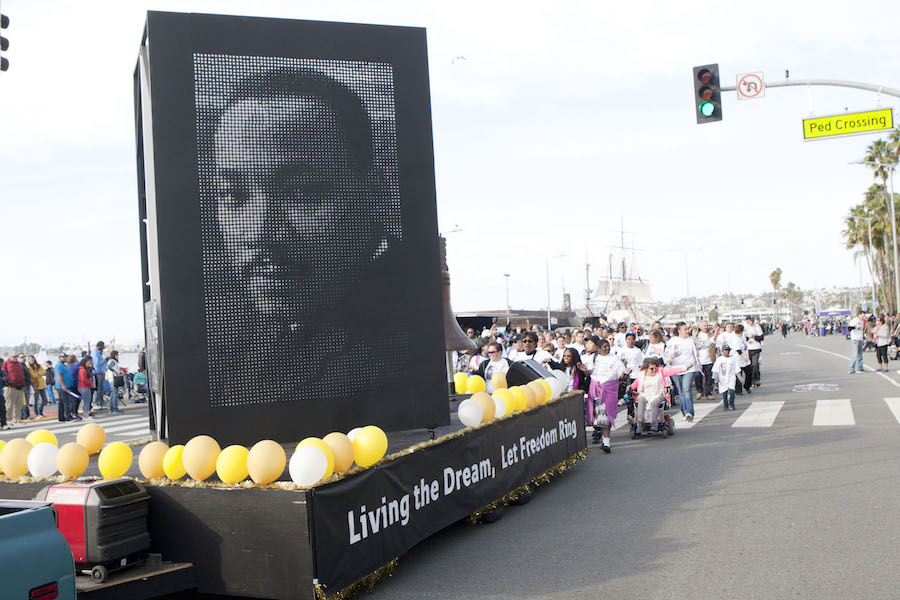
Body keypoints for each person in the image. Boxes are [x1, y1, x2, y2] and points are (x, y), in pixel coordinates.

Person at [203, 67, 414, 408]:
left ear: (374, 195)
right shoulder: (222, 329)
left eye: (303, 193)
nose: (260, 233)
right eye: (234, 195)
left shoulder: (405, 337)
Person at [587, 339, 625, 453]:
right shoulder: (593, 358)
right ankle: (599, 435)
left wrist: (624, 373)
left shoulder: (614, 359)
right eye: (604, 347)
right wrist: (584, 370)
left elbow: (620, 373)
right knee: (597, 417)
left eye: (608, 346)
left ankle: (606, 443)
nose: (607, 348)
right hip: (596, 390)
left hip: (609, 390)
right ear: (598, 349)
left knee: (606, 416)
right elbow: (588, 372)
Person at [632, 358, 684, 431]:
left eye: (655, 368)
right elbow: (634, 385)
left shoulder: (660, 373)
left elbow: (672, 371)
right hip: (645, 394)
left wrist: (685, 368)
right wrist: (630, 388)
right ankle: (640, 423)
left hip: (659, 393)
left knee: (655, 403)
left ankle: (654, 423)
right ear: (646, 369)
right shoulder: (641, 375)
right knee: (641, 400)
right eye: (651, 368)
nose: (654, 370)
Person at [666, 322, 699, 421]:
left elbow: (703, 345)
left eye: (687, 329)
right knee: (680, 392)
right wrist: (669, 358)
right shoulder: (673, 341)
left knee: (686, 389)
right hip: (676, 368)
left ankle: (689, 412)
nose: (686, 331)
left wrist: (695, 337)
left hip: (689, 368)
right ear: (679, 331)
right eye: (684, 329)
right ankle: (684, 412)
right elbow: (667, 353)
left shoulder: (691, 340)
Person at [3, 352, 26, 427]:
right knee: (9, 404)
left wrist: (23, 383)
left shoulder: (19, 364)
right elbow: (3, 373)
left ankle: (17, 418)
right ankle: (8, 419)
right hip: (10, 387)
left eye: (16, 357)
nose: (15, 358)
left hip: (19, 386)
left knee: (19, 404)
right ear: (10, 357)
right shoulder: (6, 363)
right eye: (13, 357)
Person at [713, 345, 739, 410]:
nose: (727, 352)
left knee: (732, 391)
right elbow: (715, 370)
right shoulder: (719, 359)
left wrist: (740, 378)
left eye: (728, 350)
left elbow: (737, 369)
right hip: (723, 378)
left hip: (731, 377)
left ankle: (731, 403)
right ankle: (725, 404)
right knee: (724, 392)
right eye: (726, 350)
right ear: (722, 351)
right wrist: (716, 379)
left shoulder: (732, 359)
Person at [54, 353, 75, 422]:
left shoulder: (63, 365)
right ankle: (68, 416)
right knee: (66, 401)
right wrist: (63, 385)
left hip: (66, 385)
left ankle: (62, 416)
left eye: (65, 357)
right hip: (61, 386)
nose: (65, 358)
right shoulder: (58, 365)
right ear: (60, 357)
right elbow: (58, 376)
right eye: (63, 357)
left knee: (62, 402)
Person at [743, 317, 764, 386]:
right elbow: (741, 337)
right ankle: (750, 381)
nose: (752, 322)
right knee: (749, 366)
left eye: (753, 321)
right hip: (747, 349)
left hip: (756, 348)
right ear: (747, 321)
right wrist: (747, 339)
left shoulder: (757, 326)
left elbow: (761, 337)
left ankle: (757, 378)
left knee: (755, 364)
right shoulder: (744, 327)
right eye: (750, 321)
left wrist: (754, 337)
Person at [105, 350, 123, 414]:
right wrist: (115, 371)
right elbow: (109, 367)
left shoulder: (110, 361)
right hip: (114, 378)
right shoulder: (113, 361)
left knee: (112, 393)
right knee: (115, 393)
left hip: (110, 379)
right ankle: (115, 408)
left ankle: (111, 408)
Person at [90, 341, 107, 409]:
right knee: (98, 388)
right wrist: (105, 360)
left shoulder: (99, 353)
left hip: (102, 372)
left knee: (101, 388)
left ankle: (100, 402)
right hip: (98, 372)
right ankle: (96, 402)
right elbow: (97, 363)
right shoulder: (95, 352)